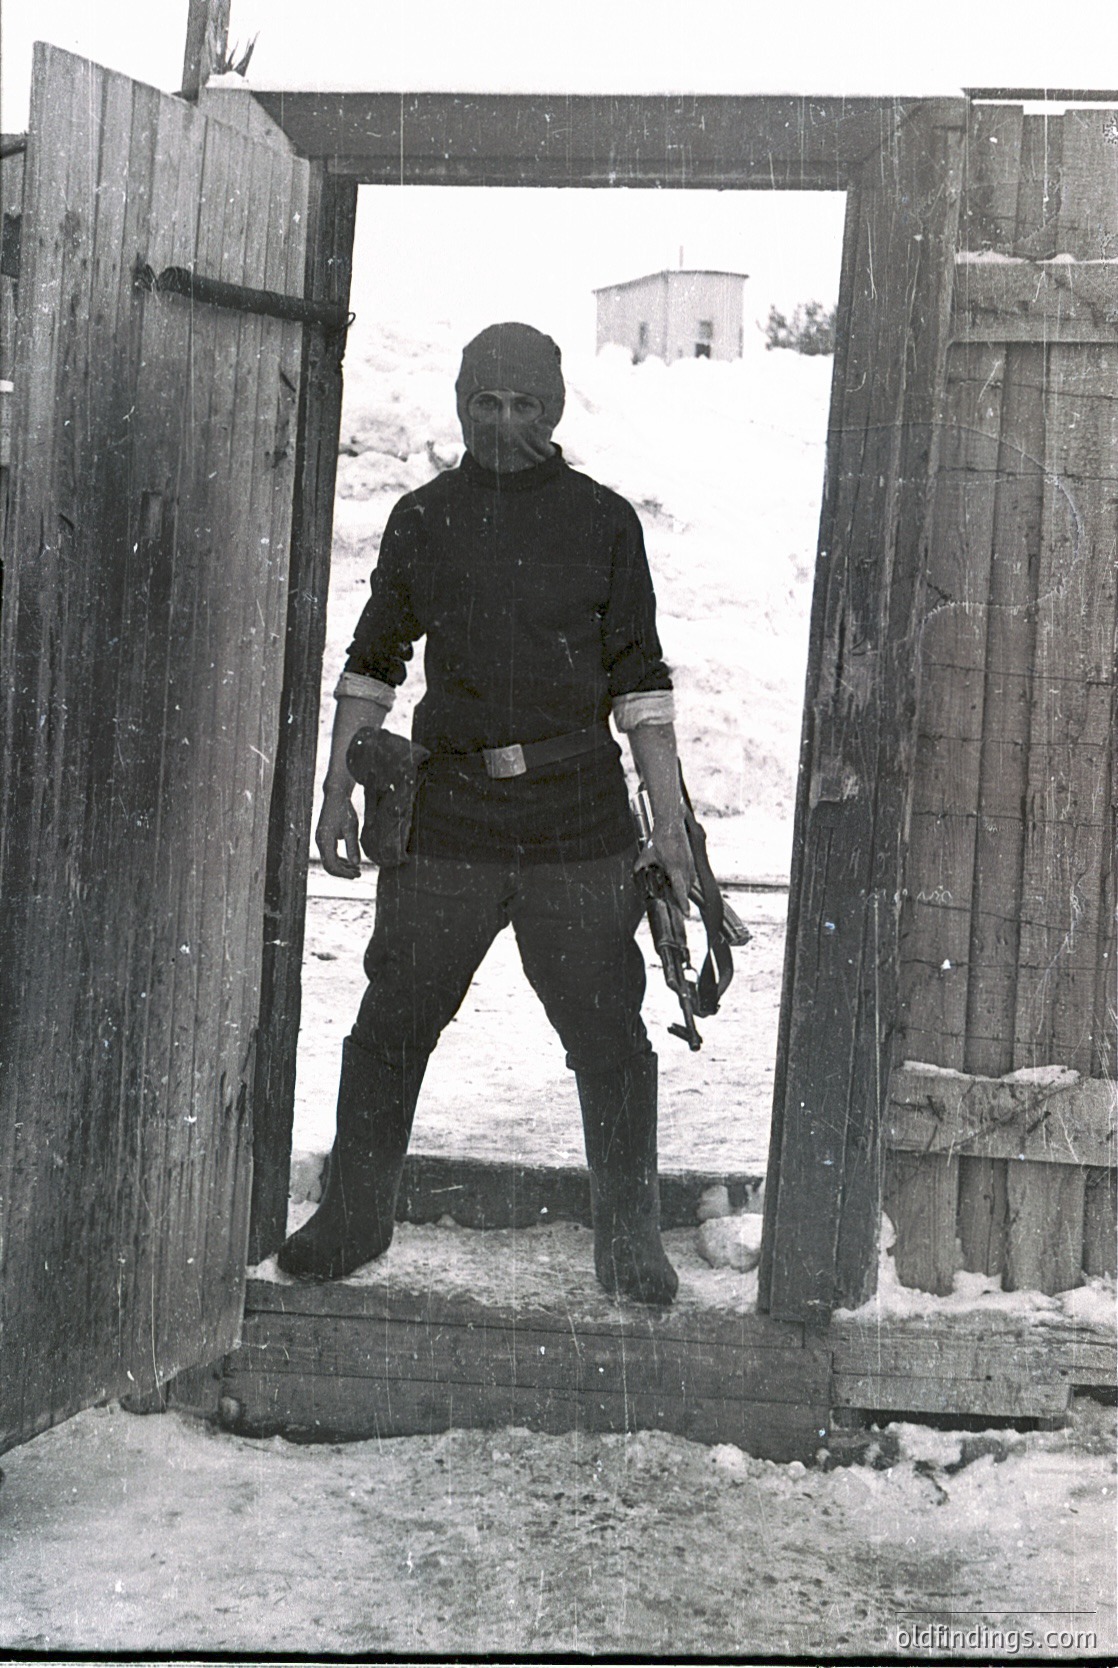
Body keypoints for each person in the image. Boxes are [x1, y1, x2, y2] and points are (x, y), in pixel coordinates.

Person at [278, 322, 695, 1305]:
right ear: (461, 404)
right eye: (486, 403)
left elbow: (640, 680)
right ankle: (354, 1214)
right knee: (393, 1019)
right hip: (450, 813)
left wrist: (669, 824)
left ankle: (627, 1233)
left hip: (578, 820)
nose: (505, 424)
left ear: (552, 410)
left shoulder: (603, 523)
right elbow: (374, 660)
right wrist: (336, 784)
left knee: (607, 1033)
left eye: (525, 405)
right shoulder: (422, 519)